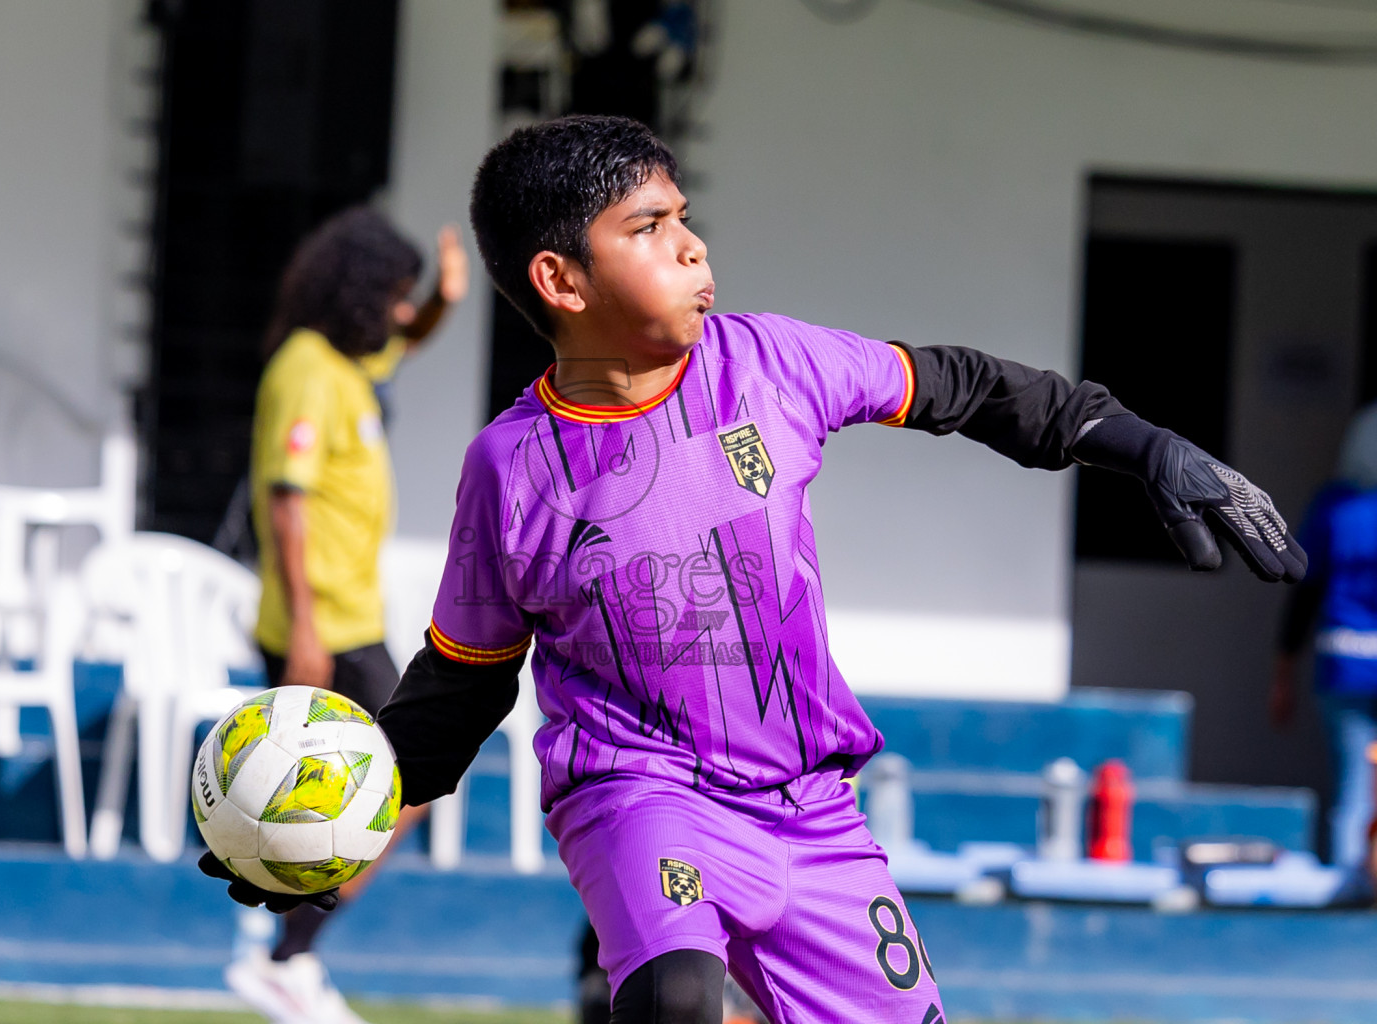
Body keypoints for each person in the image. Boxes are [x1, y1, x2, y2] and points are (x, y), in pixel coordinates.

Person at [204, 116, 1304, 1023]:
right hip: (641, 791)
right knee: (679, 999)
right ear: (561, 279)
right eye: (649, 226)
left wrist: (1147, 445)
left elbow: (967, 387)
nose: (691, 246)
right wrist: (324, 821)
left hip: (814, 809)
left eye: (685, 218)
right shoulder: (513, 468)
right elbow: (461, 686)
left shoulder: (772, 364)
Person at [225, 206, 468, 1024]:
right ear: (358, 295)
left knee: (379, 786)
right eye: (394, 297)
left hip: (352, 618)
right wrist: (301, 630)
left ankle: (283, 952)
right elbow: (284, 503)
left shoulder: (350, 364)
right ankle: (281, 954)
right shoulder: (303, 366)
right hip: (320, 626)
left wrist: (444, 297)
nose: (402, 313)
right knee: (398, 780)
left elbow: (415, 335)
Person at [1273, 403, 1377, 872]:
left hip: (1343, 665)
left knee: (1354, 791)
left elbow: (1304, 592)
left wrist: (1283, 673)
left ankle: (1351, 895)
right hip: (1353, 667)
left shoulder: (1334, 506)